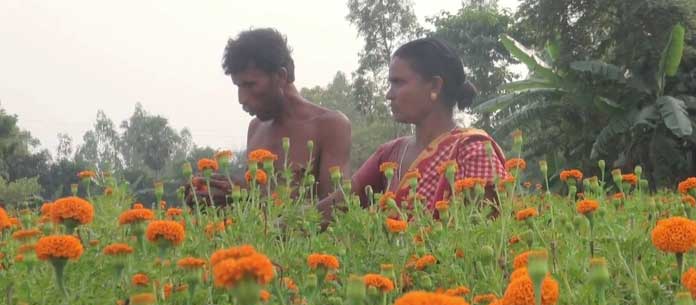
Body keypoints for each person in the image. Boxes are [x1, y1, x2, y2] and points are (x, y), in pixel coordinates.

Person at [318, 37, 507, 217]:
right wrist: (292, 223)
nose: (389, 95)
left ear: (434, 86)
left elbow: (484, 231)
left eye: (398, 83)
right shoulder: (390, 154)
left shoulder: (474, 152)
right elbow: (337, 206)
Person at [187, 28, 351, 206]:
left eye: (250, 85)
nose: (241, 99)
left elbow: (335, 211)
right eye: (238, 86)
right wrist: (216, 196)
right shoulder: (255, 129)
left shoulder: (331, 126)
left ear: (280, 76)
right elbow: (256, 212)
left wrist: (246, 198)